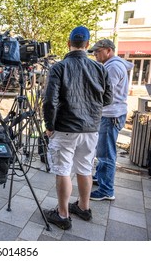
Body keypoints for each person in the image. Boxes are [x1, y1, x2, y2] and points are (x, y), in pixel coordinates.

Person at [42, 26, 113, 230]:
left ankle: (63, 215)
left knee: (63, 170)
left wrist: (49, 126)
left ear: (68, 43)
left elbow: (50, 101)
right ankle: (83, 207)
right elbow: (107, 98)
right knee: (85, 168)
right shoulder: (100, 68)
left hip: (65, 128)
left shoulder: (59, 67)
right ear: (88, 45)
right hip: (91, 129)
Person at [88, 39, 134, 201]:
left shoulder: (113, 67)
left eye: (97, 51)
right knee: (102, 150)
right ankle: (101, 178)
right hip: (109, 114)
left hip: (111, 115)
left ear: (108, 50)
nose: (95, 55)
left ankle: (106, 189)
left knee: (106, 153)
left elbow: (104, 92)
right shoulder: (110, 65)